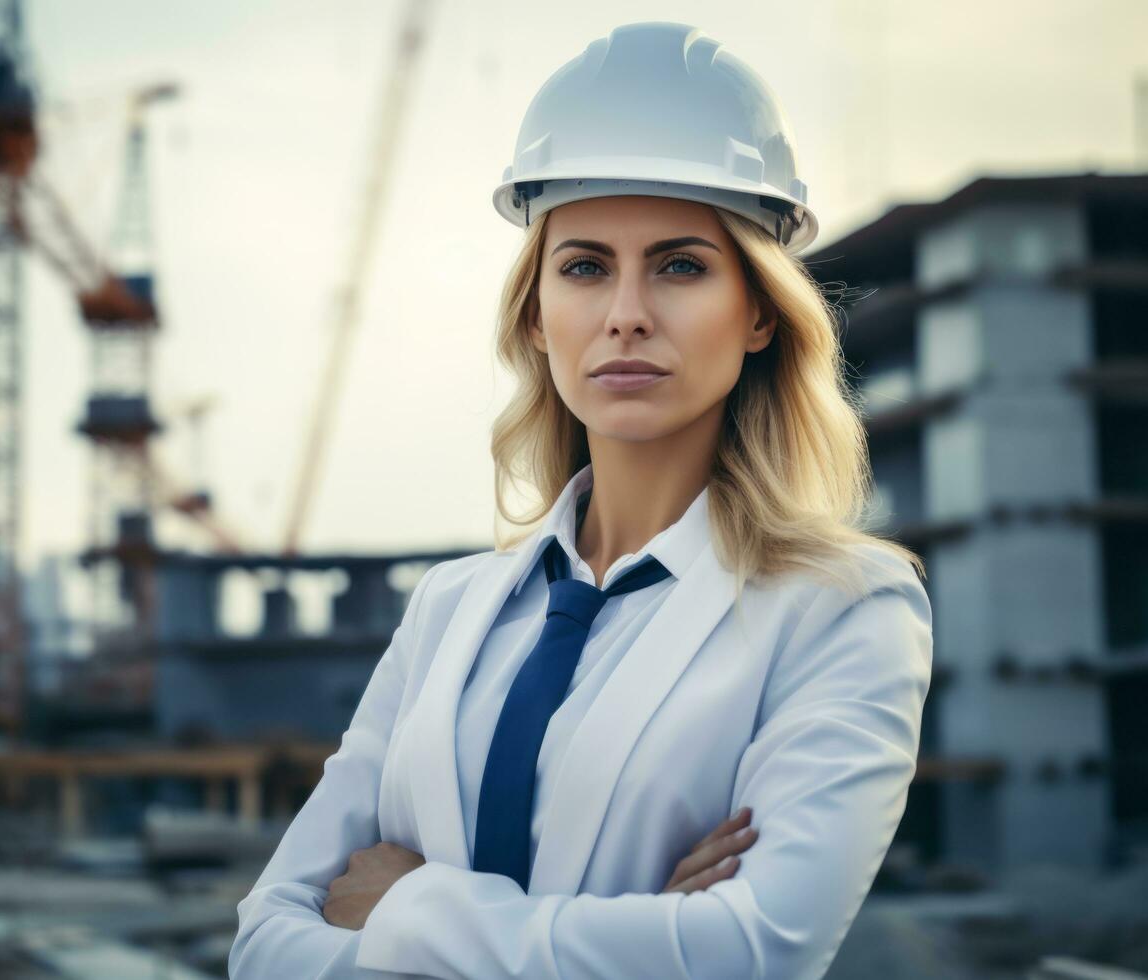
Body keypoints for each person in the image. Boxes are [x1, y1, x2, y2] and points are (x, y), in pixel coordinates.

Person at [231, 20, 932, 980]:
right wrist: (636, 932)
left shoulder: (844, 610)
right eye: (585, 266)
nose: (626, 312)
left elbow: (753, 949)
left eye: (680, 265)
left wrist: (404, 908)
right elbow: (265, 940)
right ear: (536, 313)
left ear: (760, 310)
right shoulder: (447, 609)